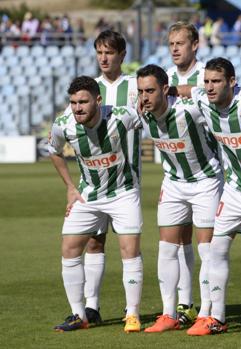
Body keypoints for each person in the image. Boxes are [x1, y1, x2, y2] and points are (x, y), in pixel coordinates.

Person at [170, 57, 241, 336]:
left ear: (232, 82)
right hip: (232, 190)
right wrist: (167, 89)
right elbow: (185, 90)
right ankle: (216, 317)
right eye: (206, 81)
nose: (209, 87)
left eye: (216, 81)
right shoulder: (203, 99)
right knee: (216, 251)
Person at [49, 76, 143, 333]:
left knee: (129, 250)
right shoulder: (64, 124)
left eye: (83, 102)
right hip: (88, 195)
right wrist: (69, 186)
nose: (77, 107)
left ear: (98, 101)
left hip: (123, 192)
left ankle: (132, 314)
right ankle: (79, 314)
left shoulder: (122, 116)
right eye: (73, 102)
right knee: (69, 248)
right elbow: (54, 151)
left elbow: (152, 118)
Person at [136, 65, 222, 333]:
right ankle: (169, 313)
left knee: (207, 250)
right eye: (140, 91)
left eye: (150, 91)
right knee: (166, 249)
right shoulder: (145, 114)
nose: (144, 97)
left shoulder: (189, 110)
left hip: (206, 182)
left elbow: (213, 98)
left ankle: (207, 313)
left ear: (165, 89)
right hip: (173, 183)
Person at [64, 29, 139, 327]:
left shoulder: (134, 86)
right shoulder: (87, 89)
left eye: (109, 52)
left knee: (129, 245)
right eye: (99, 52)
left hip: (125, 179)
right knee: (95, 241)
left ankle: (132, 308)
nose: (104, 58)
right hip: (92, 183)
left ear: (122, 55)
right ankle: (91, 307)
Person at [165, 21, 207, 325]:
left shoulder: (207, 74)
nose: (175, 49)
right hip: (175, 173)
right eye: (171, 44)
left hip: (207, 170)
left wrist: (175, 91)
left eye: (180, 43)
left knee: (209, 245)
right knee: (179, 239)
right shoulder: (163, 78)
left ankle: (208, 306)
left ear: (195, 45)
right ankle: (184, 304)